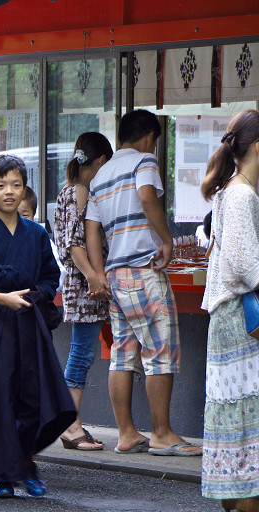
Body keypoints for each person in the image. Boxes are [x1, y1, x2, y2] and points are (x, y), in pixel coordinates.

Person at [0, 154, 75, 498]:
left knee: (35, 397)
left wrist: (36, 295)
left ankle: (26, 461)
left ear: (25, 189)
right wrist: (1, 298)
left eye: (16, 185)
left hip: (27, 325)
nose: (9, 192)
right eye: (1, 185)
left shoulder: (36, 234)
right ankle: (3, 475)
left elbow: (51, 276)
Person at [85, 109, 201, 456]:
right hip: (143, 270)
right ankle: (162, 434)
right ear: (150, 136)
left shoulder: (101, 175)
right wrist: (166, 240)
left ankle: (126, 434)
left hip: (116, 276)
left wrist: (99, 272)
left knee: (122, 355)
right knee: (160, 350)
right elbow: (148, 197)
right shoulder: (143, 162)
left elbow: (92, 230)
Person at [199, 110, 259, 512]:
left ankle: (234, 497)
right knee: (244, 415)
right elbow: (246, 263)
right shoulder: (241, 194)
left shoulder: (231, 189)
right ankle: (244, 499)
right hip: (242, 317)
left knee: (235, 414)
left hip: (229, 317)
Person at [53, 133, 113, 452]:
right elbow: (75, 244)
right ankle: (70, 424)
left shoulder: (69, 190)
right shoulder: (81, 192)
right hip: (84, 286)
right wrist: (94, 278)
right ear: (101, 161)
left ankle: (71, 422)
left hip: (79, 285)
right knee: (81, 353)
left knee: (82, 351)